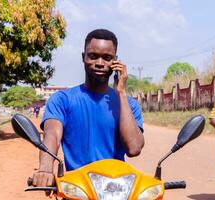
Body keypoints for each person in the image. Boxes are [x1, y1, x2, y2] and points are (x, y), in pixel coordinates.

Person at [32, 29, 144, 187]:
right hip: (77, 189)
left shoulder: (129, 104)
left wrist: (122, 93)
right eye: (93, 56)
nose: (99, 63)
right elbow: (53, 135)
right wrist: (45, 169)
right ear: (83, 57)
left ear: (116, 62)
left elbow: (134, 148)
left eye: (107, 58)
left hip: (116, 189)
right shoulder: (62, 100)